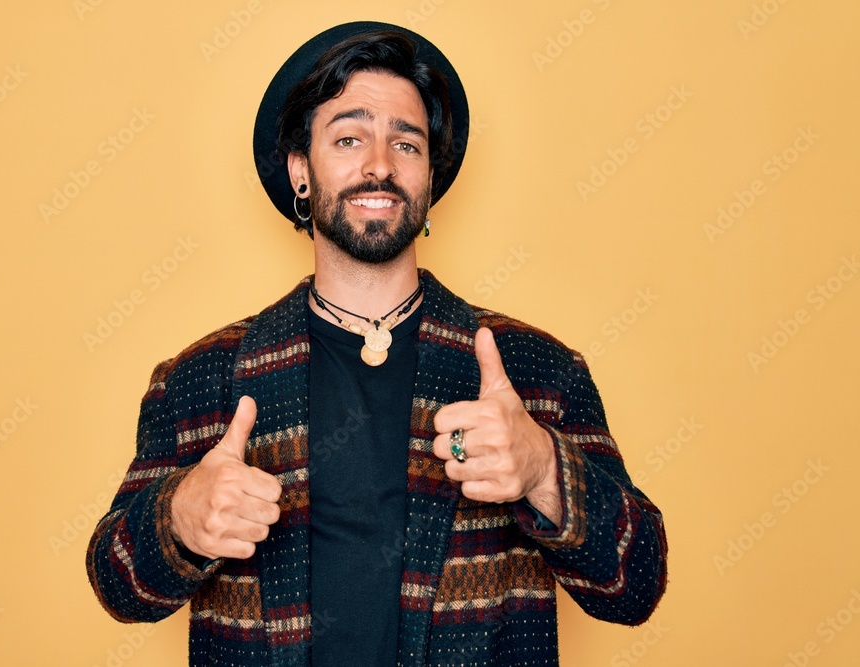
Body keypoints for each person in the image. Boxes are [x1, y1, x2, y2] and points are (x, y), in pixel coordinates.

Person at [87, 21, 667, 667]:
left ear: (429, 180)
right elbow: (118, 587)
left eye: (406, 144)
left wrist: (543, 468)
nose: (380, 165)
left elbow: (636, 585)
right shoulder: (201, 377)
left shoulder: (538, 369)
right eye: (348, 138)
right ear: (300, 171)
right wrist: (178, 517)